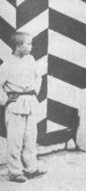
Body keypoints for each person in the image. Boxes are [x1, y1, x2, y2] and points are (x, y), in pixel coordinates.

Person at [0, 32, 46, 183]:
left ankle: (30, 168)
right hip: (15, 106)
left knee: (30, 138)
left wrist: (34, 91)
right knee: (15, 140)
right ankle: (15, 172)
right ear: (19, 46)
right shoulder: (7, 64)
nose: (31, 47)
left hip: (30, 103)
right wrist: (6, 100)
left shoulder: (31, 60)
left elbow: (38, 77)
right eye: (28, 44)